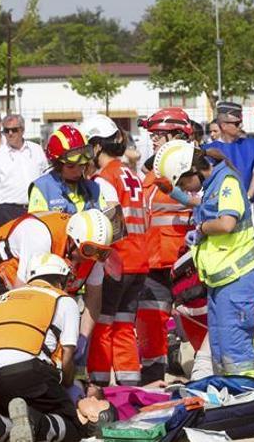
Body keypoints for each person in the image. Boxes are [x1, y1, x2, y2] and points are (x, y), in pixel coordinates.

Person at [154, 140, 254, 379]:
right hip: (221, 282)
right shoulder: (212, 184)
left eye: (184, 183)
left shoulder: (227, 183)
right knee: (220, 348)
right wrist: (172, 191)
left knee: (236, 350)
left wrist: (202, 228)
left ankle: (247, 398)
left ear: (193, 169)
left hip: (238, 280)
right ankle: (231, 396)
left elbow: (226, 223)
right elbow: (199, 203)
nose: (187, 189)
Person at [0, 253, 84, 442]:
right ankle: (33, 421)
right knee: (71, 425)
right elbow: (68, 357)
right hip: (27, 372)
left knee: (11, 419)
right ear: (61, 280)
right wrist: (68, 385)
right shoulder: (63, 300)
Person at [0, 208, 118, 368]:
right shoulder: (40, 236)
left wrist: (82, 337)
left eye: (101, 253)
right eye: (88, 250)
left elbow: (94, 299)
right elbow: (22, 295)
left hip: (31, 282)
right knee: (7, 327)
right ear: (73, 240)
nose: (92, 258)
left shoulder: (93, 254)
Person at [86, 116, 147, 386]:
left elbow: (109, 226)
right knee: (124, 325)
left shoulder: (104, 179)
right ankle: (129, 384)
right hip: (139, 261)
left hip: (116, 262)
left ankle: (98, 384)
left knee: (102, 323)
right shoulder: (131, 174)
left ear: (97, 146)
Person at [136, 108, 194, 384]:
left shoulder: (194, 169)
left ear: (178, 134)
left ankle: (208, 371)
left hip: (185, 263)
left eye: (157, 135)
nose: (153, 141)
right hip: (153, 263)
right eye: (152, 135)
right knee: (149, 324)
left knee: (198, 321)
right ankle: (152, 378)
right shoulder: (151, 170)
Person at [0, 114, 48, 230]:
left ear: (22, 130)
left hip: (37, 209)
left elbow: (46, 177)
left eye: (14, 130)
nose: (10, 133)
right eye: (6, 130)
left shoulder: (36, 150)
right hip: (8, 212)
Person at [29, 124, 106, 214]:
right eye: (71, 166)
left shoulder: (94, 188)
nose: (78, 172)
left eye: (82, 165)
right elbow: (35, 225)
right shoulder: (43, 189)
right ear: (58, 164)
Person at [201, 102, 254, 207]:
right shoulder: (209, 150)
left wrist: (247, 197)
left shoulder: (251, 145)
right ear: (224, 126)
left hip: (247, 204)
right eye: (237, 123)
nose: (241, 126)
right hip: (219, 206)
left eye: (241, 122)